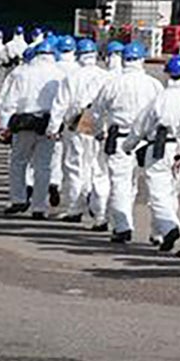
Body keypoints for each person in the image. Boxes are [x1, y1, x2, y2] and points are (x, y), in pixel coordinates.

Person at [92, 43, 156, 244]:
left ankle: (122, 226)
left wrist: (97, 132)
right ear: (142, 59)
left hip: (119, 137)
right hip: (146, 140)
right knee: (145, 184)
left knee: (119, 183)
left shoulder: (113, 83)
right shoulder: (153, 84)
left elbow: (96, 112)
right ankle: (159, 231)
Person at [0, 35, 65, 216]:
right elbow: (63, 103)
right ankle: (39, 207)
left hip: (24, 122)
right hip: (47, 123)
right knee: (43, 166)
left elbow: (8, 101)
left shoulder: (22, 72)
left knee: (18, 162)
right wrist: (57, 127)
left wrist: (4, 126)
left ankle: (18, 199)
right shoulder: (60, 74)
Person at [140, 53, 180, 253]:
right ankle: (160, 233)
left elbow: (141, 126)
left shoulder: (159, 99)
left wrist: (130, 145)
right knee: (172, 192)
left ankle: (170, 227)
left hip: (160, 148)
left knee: (158, 194)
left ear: (167, 74)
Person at [55, 37, 105, 226]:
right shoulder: (106, 76)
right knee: (95, 164)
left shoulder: (73, 77)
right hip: (97, 120)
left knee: (75, 165)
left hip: (78, 120)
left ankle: (76, 207)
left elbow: (60, 104)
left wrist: (54, 127)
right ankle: (96, 203)